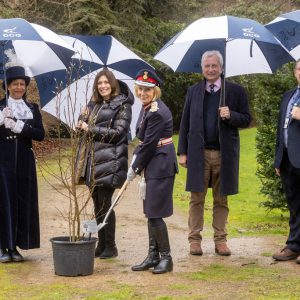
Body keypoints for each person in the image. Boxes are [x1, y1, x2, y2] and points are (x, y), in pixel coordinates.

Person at [177, 50, 251, 256]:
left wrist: (231, 115)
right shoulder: (194, 91)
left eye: (214, 66)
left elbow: (246, 119)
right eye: (207, 66)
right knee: (196, 198)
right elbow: (185, 123)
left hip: (224, 154)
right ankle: (194, 240)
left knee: (221, 199)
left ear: (221, 68)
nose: (210, 69)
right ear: (202, 69)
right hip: (198, 153)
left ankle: (220, 240)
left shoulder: (235, 91)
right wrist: (182, 152)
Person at [76, 69, 133, 259]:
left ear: (113, 83)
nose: (103, 86)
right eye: (99, 83)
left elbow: (119, 133)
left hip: (111, 162)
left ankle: (111, 246)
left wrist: (90, 128)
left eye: (106, 83)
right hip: (92, 162)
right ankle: (101, 244)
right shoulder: (94, 104)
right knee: (97, 204)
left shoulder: (123, 105)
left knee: (106, 204)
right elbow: (84, 126)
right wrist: (81, 121)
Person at [127, 69, 178, 274]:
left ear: (155, 90)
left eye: (148, 89)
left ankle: (166, 258)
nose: (143, 93)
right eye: (140, 89)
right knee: (150, 212)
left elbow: (148, 144)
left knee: (155, 213)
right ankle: (153, 255)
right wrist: (136, 160)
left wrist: (134, 167)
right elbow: (143, 137)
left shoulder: (156, 111)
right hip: (154, 163)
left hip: (160, 164)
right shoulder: (147, 107)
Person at [0, 64, 45, 263]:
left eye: (22, 84)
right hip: (3, 161)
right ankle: (3, 246)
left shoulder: (32, 108)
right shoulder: (1, 107)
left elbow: (40, 134)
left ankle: (16, 245)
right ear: (8, 86)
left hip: (25, 162)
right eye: (14, 84)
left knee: (22, 202)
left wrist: (19, 126)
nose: (19, 87)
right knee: (5, 202)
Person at [272, 59, 300, 262]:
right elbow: (280, 130)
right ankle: (294, 246)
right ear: (295, 72)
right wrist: (278, 159)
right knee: (294, 205)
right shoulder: (288, 96)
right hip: (288, 160)